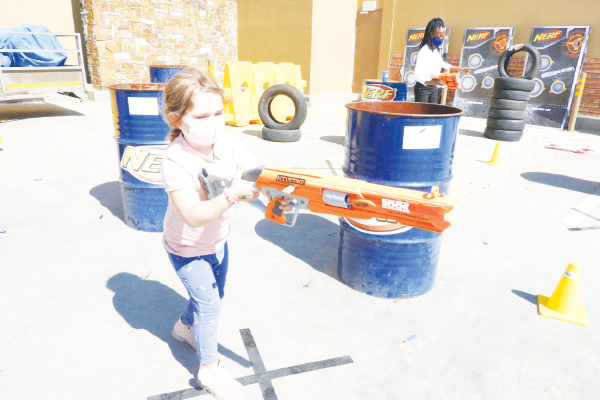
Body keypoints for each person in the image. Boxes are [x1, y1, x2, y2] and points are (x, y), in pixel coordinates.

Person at [160, 66, 291, 400]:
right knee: (210, 306)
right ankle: (210, 369)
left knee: (213, 296)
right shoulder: (175, 160)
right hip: (186, 247)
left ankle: (184, 327)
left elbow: (256, 179)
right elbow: (192, 216)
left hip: (218, 240)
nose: (214, 122)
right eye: (202, 116)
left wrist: (276, 196)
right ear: (177, 120)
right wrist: (231, 195)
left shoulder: (229, 145)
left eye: (218, 112)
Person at [413, 17, 469, 104]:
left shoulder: (436, 51)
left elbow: (442, 63)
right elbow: (416, 75)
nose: (441, 39)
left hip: (434, 87)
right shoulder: (424, 51)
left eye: (443, 36)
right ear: (431, 34)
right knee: (423, 112)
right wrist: (429, 82)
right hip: (423, 88)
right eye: (439, 36)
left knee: (433, 111)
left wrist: (460, 69)